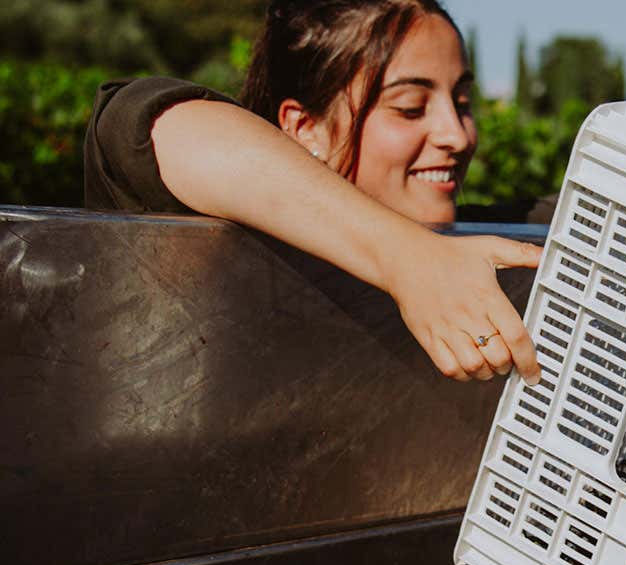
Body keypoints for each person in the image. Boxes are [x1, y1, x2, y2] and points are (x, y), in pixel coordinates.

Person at [84, 0, 541, 386]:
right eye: (410, 107)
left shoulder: (491, 239)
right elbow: (146, 123)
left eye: (461, 103)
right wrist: (409, 258)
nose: (457, 136)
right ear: (305, 129)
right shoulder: (222, 256)